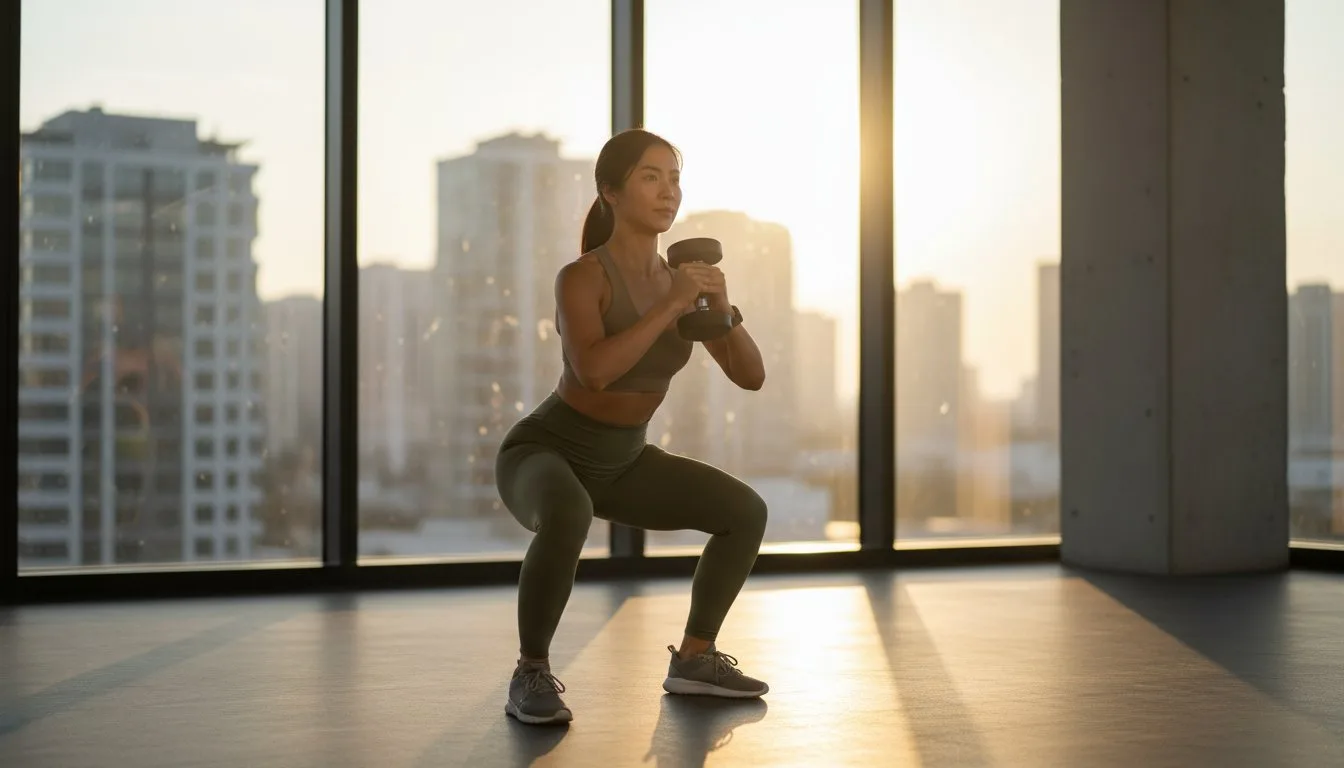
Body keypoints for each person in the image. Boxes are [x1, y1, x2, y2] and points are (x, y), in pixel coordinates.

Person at [494, 128, 771, 726]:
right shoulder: (583, 277)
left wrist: (722, 310)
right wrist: (670, 305)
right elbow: (593, 372)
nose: (669, 191)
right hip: (546, 451)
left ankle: (695, 659)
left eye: (674, 178)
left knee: (745, 511)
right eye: (651, 177)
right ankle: (531, 670)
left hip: (623, 461)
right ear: (610, 192)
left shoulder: (687, 287)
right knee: (567, 512)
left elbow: (750, 377)